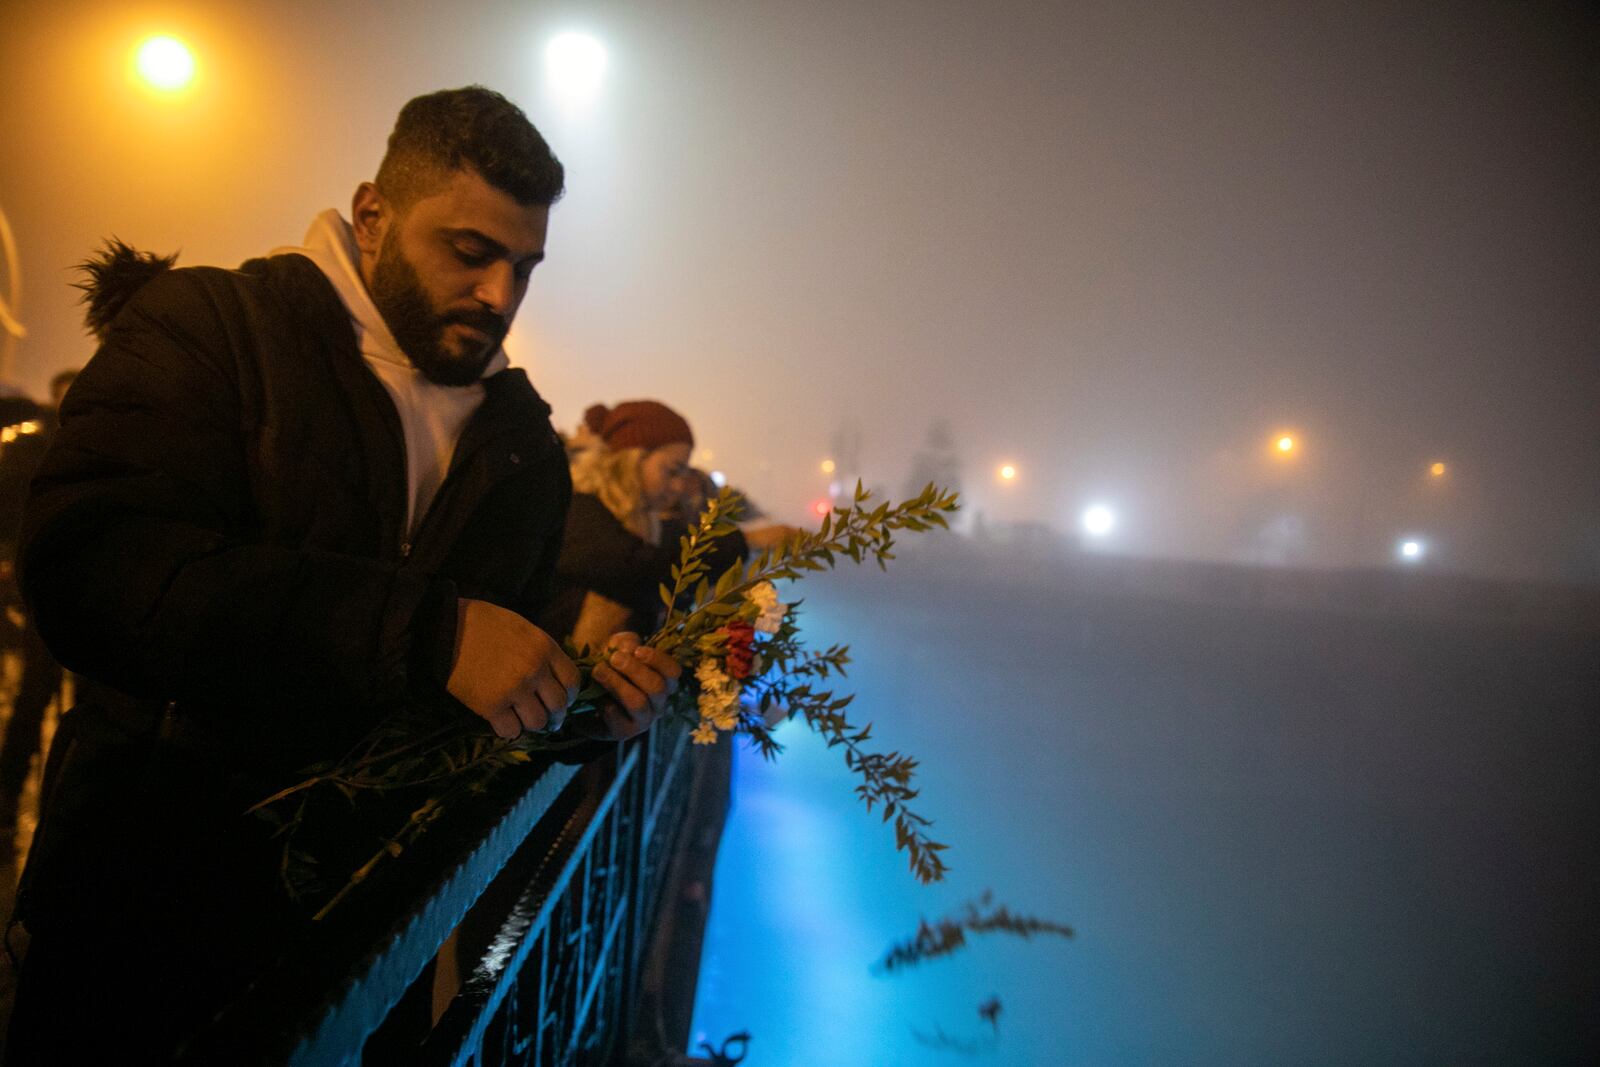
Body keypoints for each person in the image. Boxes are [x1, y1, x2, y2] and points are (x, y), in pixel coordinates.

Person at [6, 86, 679, 1061]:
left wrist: (583, 697)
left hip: (379, 950)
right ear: (373, 215)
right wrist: (428, 632)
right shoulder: (210, 329)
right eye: (469, 250)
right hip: (138, 931)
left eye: (524, 267)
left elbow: (490, 686)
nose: (500, 294)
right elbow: (90, 566)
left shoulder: (521, 445)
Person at [0, 370, 76, 842]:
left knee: (61, 697)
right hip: (49, 591)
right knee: (36, 693)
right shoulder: (32, 452)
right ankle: (9, 794)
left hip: (76, 589)